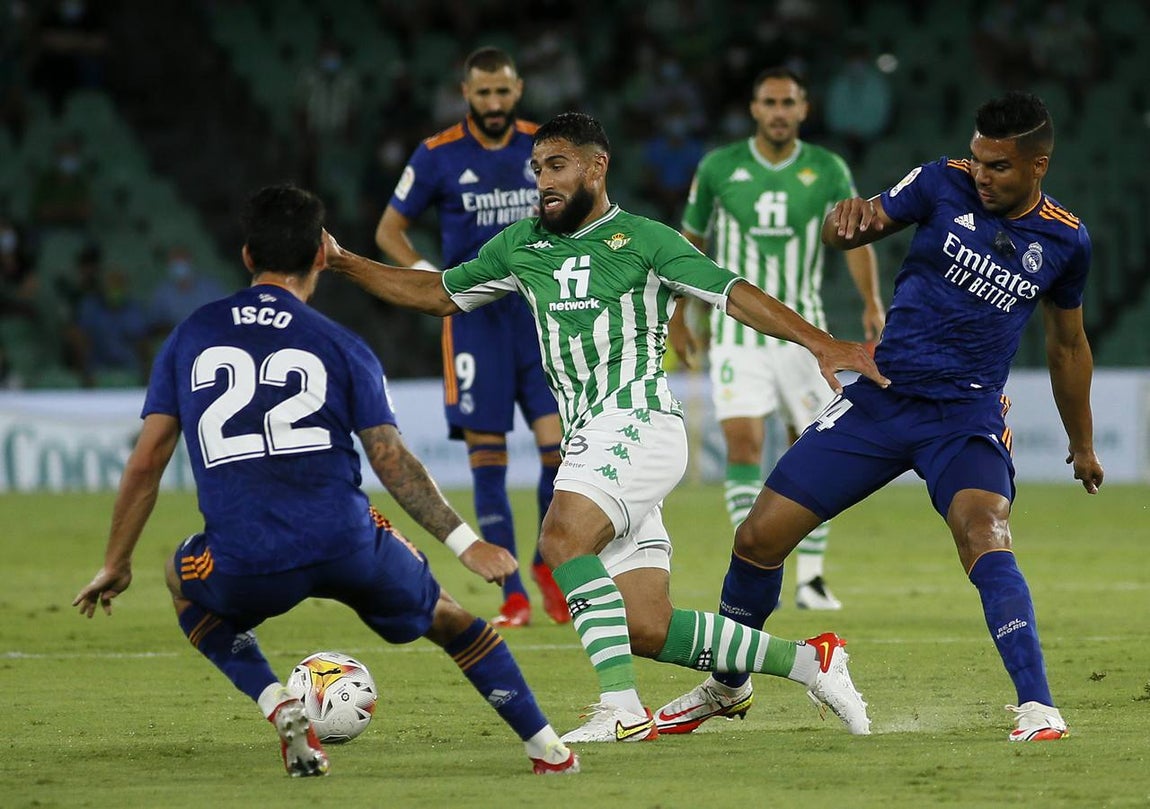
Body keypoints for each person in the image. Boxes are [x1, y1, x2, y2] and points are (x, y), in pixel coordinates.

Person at [327, 112, 888, 743]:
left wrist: (819, 342)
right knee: (647, 626)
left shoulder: (646, 240)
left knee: (563, 539)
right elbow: (434, 294)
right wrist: (343, 262)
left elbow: (732, 292)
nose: (543, 180)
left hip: (638, 421)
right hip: (592, 437)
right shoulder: (519, 246)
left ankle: (620, 706)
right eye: (537, 169)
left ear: (597, 167)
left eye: (557, 166)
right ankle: (812, 661)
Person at [73, 184, 580, 777]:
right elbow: (391, 460)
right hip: (347, 541)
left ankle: (276, 699)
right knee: (451, 620)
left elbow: (147, 461)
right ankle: (548, 748)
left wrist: (117, 560)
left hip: (245, 556)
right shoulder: (343, 346)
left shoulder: (192, 335)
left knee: (180, 581)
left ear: (245, 256)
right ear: (321, 255)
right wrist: (467, 544)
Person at [663, 91, 1102, 742]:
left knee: (984, 531)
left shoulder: (1066, 240)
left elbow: (1067, 346)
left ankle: (1038, 707)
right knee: (758, 536)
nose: (980, 174)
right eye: (977, 160)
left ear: (1038, 166)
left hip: (964, 413)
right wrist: (844, 222)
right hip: (881, 396)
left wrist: (1083, 442)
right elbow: (863, 221)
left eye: (998, 166)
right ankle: (728, 685)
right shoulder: (939, 181)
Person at [669, 67, 885, 623]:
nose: (780, 111)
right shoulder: (719, 166)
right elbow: (689, 242)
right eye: (770, 102)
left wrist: (871, 302)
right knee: (742, 443)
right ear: (754, 108)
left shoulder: (828, 168)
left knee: (811, 448)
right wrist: (679, 311)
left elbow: (857, 241)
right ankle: (755, 555)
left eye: (789, 102)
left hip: (805, 334)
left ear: (803, 109)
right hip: (737, 330)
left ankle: (810, 575)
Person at [375, 46, 567, 629]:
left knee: (559, 450)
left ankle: (546, 566)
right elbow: (389, 231)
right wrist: (429, 276)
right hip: (474, 321)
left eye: (502, 92)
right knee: (488, 456)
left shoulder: (543, 147)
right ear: (466, 94)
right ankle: (511, 590)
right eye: (483, 93)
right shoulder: (436, 156)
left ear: (519, 90)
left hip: (539, 315)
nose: (493, 103)